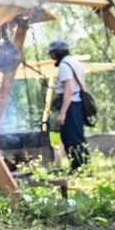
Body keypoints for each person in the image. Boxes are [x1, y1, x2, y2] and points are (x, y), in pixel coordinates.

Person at [48, 39, 90, 171]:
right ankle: (83, 166)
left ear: (56, 53)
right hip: (77, 105)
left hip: (70, 106)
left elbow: (69, 89)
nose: (50, 56)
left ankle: (79, 167)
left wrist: (63, 113)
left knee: (70, 137)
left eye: (51, 53)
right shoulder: (75, 62)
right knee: (77, 136)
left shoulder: (64, 66)